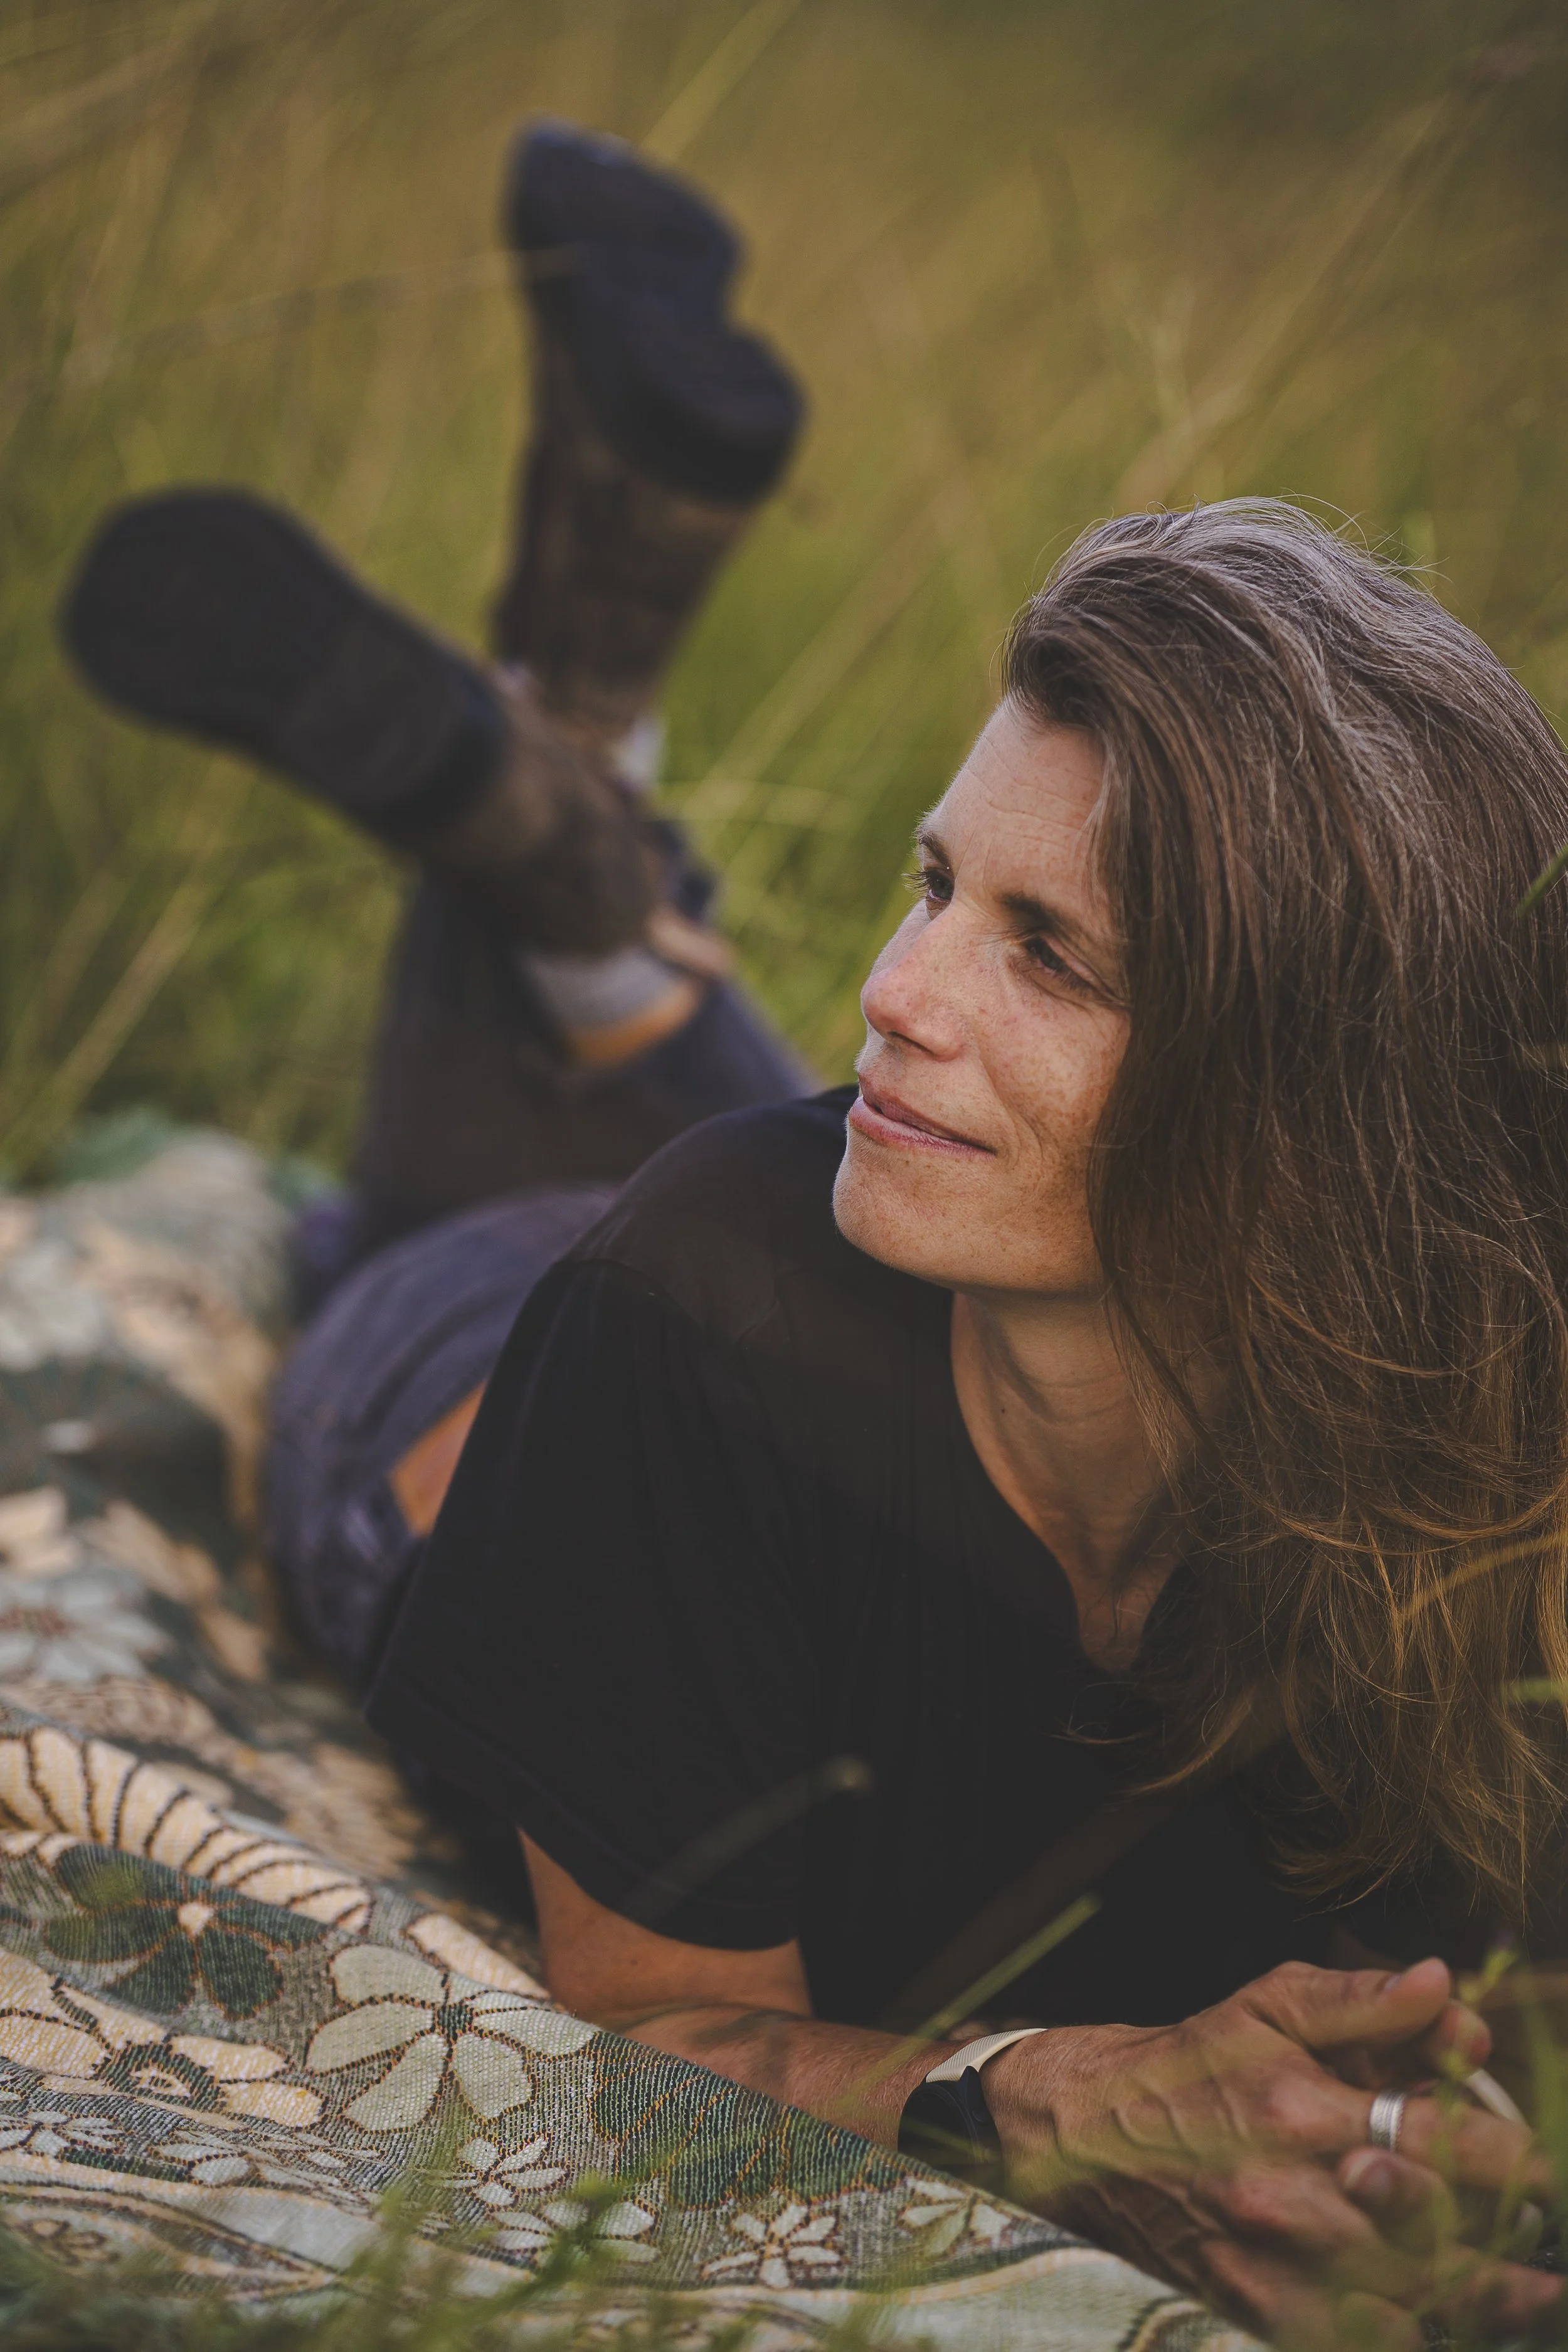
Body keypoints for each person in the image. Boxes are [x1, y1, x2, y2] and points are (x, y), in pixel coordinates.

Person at [62, 121, 1568, 2352]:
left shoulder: (1501, 1479)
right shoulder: (683, 1299)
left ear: (1309, 1107)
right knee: (505, 1207)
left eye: (1051, 948)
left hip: (853, 1237)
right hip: (481, 1364)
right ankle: (572, 840)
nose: (900, 978)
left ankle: (569, 830)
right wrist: (1040, 2098)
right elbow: (662, 2023)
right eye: (934, 877)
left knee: (810, 1137)